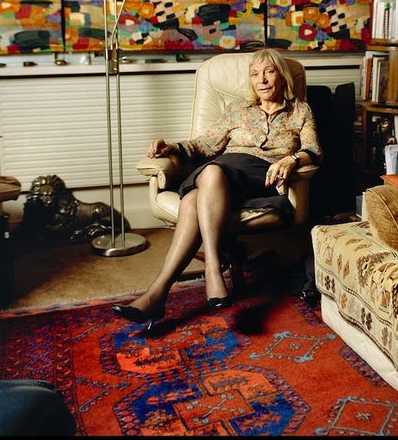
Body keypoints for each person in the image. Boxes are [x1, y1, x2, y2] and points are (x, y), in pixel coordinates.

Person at [112, 49, 323, 327]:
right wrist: (170, 146)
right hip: (224, 173)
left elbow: (313, 150)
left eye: (269, 72)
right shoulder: (237, 110)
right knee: (201, 187)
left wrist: (291, 159)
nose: (262, 80)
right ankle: (158, 295)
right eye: (255, 74)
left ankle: (203, 272)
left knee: (200, 190)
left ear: (281, 76)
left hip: (261, 176)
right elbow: (205, 145)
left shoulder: (300, 111)